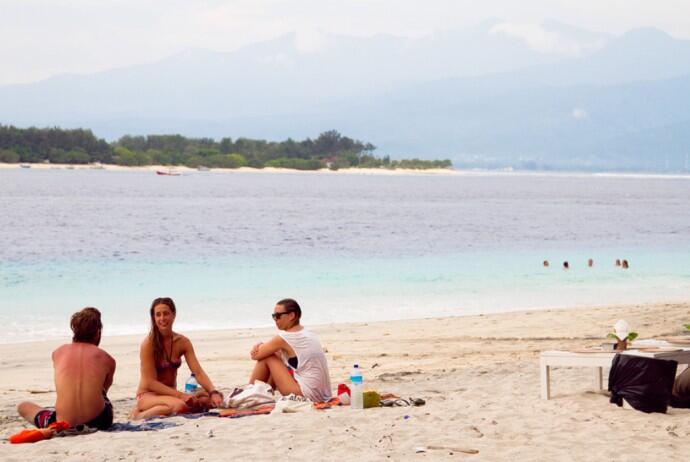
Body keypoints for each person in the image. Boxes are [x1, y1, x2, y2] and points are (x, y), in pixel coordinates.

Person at [17, 307, 116, 430]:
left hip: (63, 424)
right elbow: (103, 391)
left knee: (23, 406)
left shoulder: (58, 352)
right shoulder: (108, 359)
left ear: (74, 331)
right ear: (98, 332)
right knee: (99, 392)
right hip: (99, 421)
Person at [131, 297, 223, 419]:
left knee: (207, 401)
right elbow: (150, 383)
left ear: (173, 315)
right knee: (180, 406)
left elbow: (198, 372)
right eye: (158, 315)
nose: (162, 318)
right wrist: (180, 396)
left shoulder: (182, 342)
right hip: (148, 395)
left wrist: (213, 392)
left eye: (166, 314)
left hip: (171, 394)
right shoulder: (148, 344)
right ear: (153, 318)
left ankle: (165, 408)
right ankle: (138, 414)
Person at [249, 298, 332, 402]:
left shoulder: (285, 337)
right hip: (322, 395)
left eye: (278, 316)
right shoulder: (308, 332)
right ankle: (260, 395)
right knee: (275, 353)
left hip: (306, 395)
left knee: (269, 356)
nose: (275, 319)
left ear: (291, 316)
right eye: (273, 316)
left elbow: (255, 355)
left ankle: (249, 395)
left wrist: (259, 344)